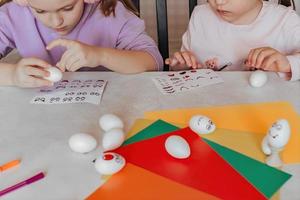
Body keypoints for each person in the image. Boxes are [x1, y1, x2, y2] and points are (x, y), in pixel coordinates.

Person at [0, 0, 163, 87]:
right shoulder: (12, 15)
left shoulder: (111, 13)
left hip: (106, 107)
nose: (56, 21)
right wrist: (13, 76)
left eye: (68, 8)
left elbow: (152, 61)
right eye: (40, 11)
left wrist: (100, 56)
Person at [166, 0, 300, 81]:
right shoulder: (200, 16)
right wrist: (181, 65)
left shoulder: (286, 21)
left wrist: (288, 64)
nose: (219, 2)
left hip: (268, 109)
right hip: (210, 107)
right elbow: (183, 68)